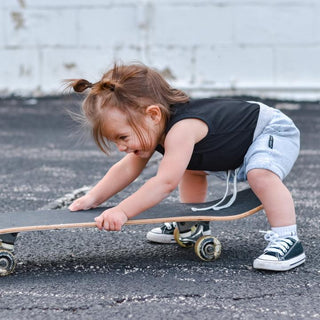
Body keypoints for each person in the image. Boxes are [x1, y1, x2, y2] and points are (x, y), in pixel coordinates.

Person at [67, 62, 305, 271]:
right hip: (234, 145)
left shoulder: (182, 129)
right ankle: (193, 225)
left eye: (123, 137)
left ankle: (288, 239)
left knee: (261, 174)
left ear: (153, 114)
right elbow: (127, 167)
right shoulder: (154, 128)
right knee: (188, 165)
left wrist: (122, 211)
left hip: (269, 131)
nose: (121, 147)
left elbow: (164, 183)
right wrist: (93, 198)